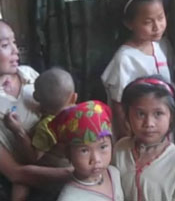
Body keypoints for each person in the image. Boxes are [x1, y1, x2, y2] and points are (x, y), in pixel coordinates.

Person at [0, 20, 72, 201]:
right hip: (32, 175)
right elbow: (16, 173)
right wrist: (75, 174)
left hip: (64, 159)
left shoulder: (30, 75)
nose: (16, 50)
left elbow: (56, 104)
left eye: (14, 42)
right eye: (5, 45)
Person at [101, 0, 171, 139]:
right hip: (138, 132)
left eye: (160, 18)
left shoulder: (158, 47)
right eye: (148, 22)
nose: (157, 26)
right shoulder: (125, 59)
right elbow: (118, 104)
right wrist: (128, 135)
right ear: (129, 23)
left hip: (158, 128)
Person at [113, 75, 175, 201]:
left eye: (158, 114)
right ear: (127, 115)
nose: (149, 123)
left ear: (172, 116)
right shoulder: (120, 150)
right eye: (140, 114)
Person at [4, 67, 77, 200]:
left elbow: (34, 157)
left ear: (37, 100)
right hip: (76, 167)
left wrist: (17, 130)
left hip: (50, 176)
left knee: (20, 183)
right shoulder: (79, 115)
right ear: (74, 97)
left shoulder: (46, 127)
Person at [48, 100, 124, 201]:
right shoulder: (70, 198)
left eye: (103, 147)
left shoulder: (114, 173)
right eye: (84, 151)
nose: (96, 159)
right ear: (68, 153)